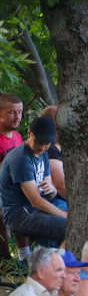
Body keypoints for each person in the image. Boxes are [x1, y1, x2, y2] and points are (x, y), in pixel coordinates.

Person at [0, 116, 66, 247]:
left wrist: (52, 189)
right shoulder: (21, 159)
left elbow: (49, 193)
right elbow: (36, 201)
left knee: (69, 217)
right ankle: (52, 264)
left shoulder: (44, 153)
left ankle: (49, 261)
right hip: (19, 214)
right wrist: (66, 216)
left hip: (35, 209)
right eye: (39, 142)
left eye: (47, 143)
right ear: (30, 133)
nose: (42, 147)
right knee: (67, 226)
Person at [0, 92, 23, 261]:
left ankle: (22, 259)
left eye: (20, 112)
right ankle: (5, 260)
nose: (17, 117)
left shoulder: (17, 137)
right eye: (11, 112)